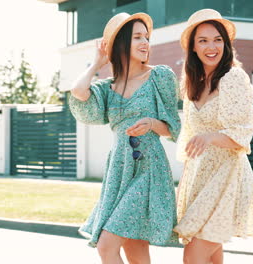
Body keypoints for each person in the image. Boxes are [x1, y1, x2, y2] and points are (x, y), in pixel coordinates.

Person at [68, 12, 181, 264]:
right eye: (137, 37)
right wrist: (97, 63)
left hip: (149, 168)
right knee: (136, 252)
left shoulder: (159, 77)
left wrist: (152, 124)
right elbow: (77, 91)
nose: (145, 43)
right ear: (120, 44)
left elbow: (174, 128)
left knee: (106, 247)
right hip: (119, 169)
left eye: (147, 37)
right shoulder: (107, 88)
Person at [174, 9, 253, 264]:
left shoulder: (232, 77)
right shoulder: (194, 82)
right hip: (202, 178)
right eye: (203, 40)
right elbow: (191, 140)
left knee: (193, 257)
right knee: (212, 258)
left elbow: (242, 132)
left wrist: (211, 137)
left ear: (226, 43)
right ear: (193, 47)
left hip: (228, 177)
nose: (211, 47)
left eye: (217, 39)